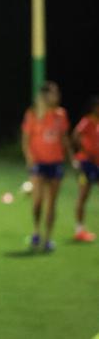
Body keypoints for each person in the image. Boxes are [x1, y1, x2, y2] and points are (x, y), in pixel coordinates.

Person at [21, 81, 70, 252]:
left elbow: (64, 138)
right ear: (45, 95)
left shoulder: (61, 114)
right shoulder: (33, 113)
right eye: (54, 93)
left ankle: (48, 238)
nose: (57, 96)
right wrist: (30, 159)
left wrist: (71, 158)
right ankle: (36, 231)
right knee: (38, 203)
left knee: (52, 204)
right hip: (38, 165)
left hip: (55, 163)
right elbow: (26, 140)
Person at [72, 95, 99, 243]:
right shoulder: (87, 121)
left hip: (96, 164)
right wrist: (84, 152)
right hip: (85, 164)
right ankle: (79, 230)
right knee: (83, 195)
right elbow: (75, 135)